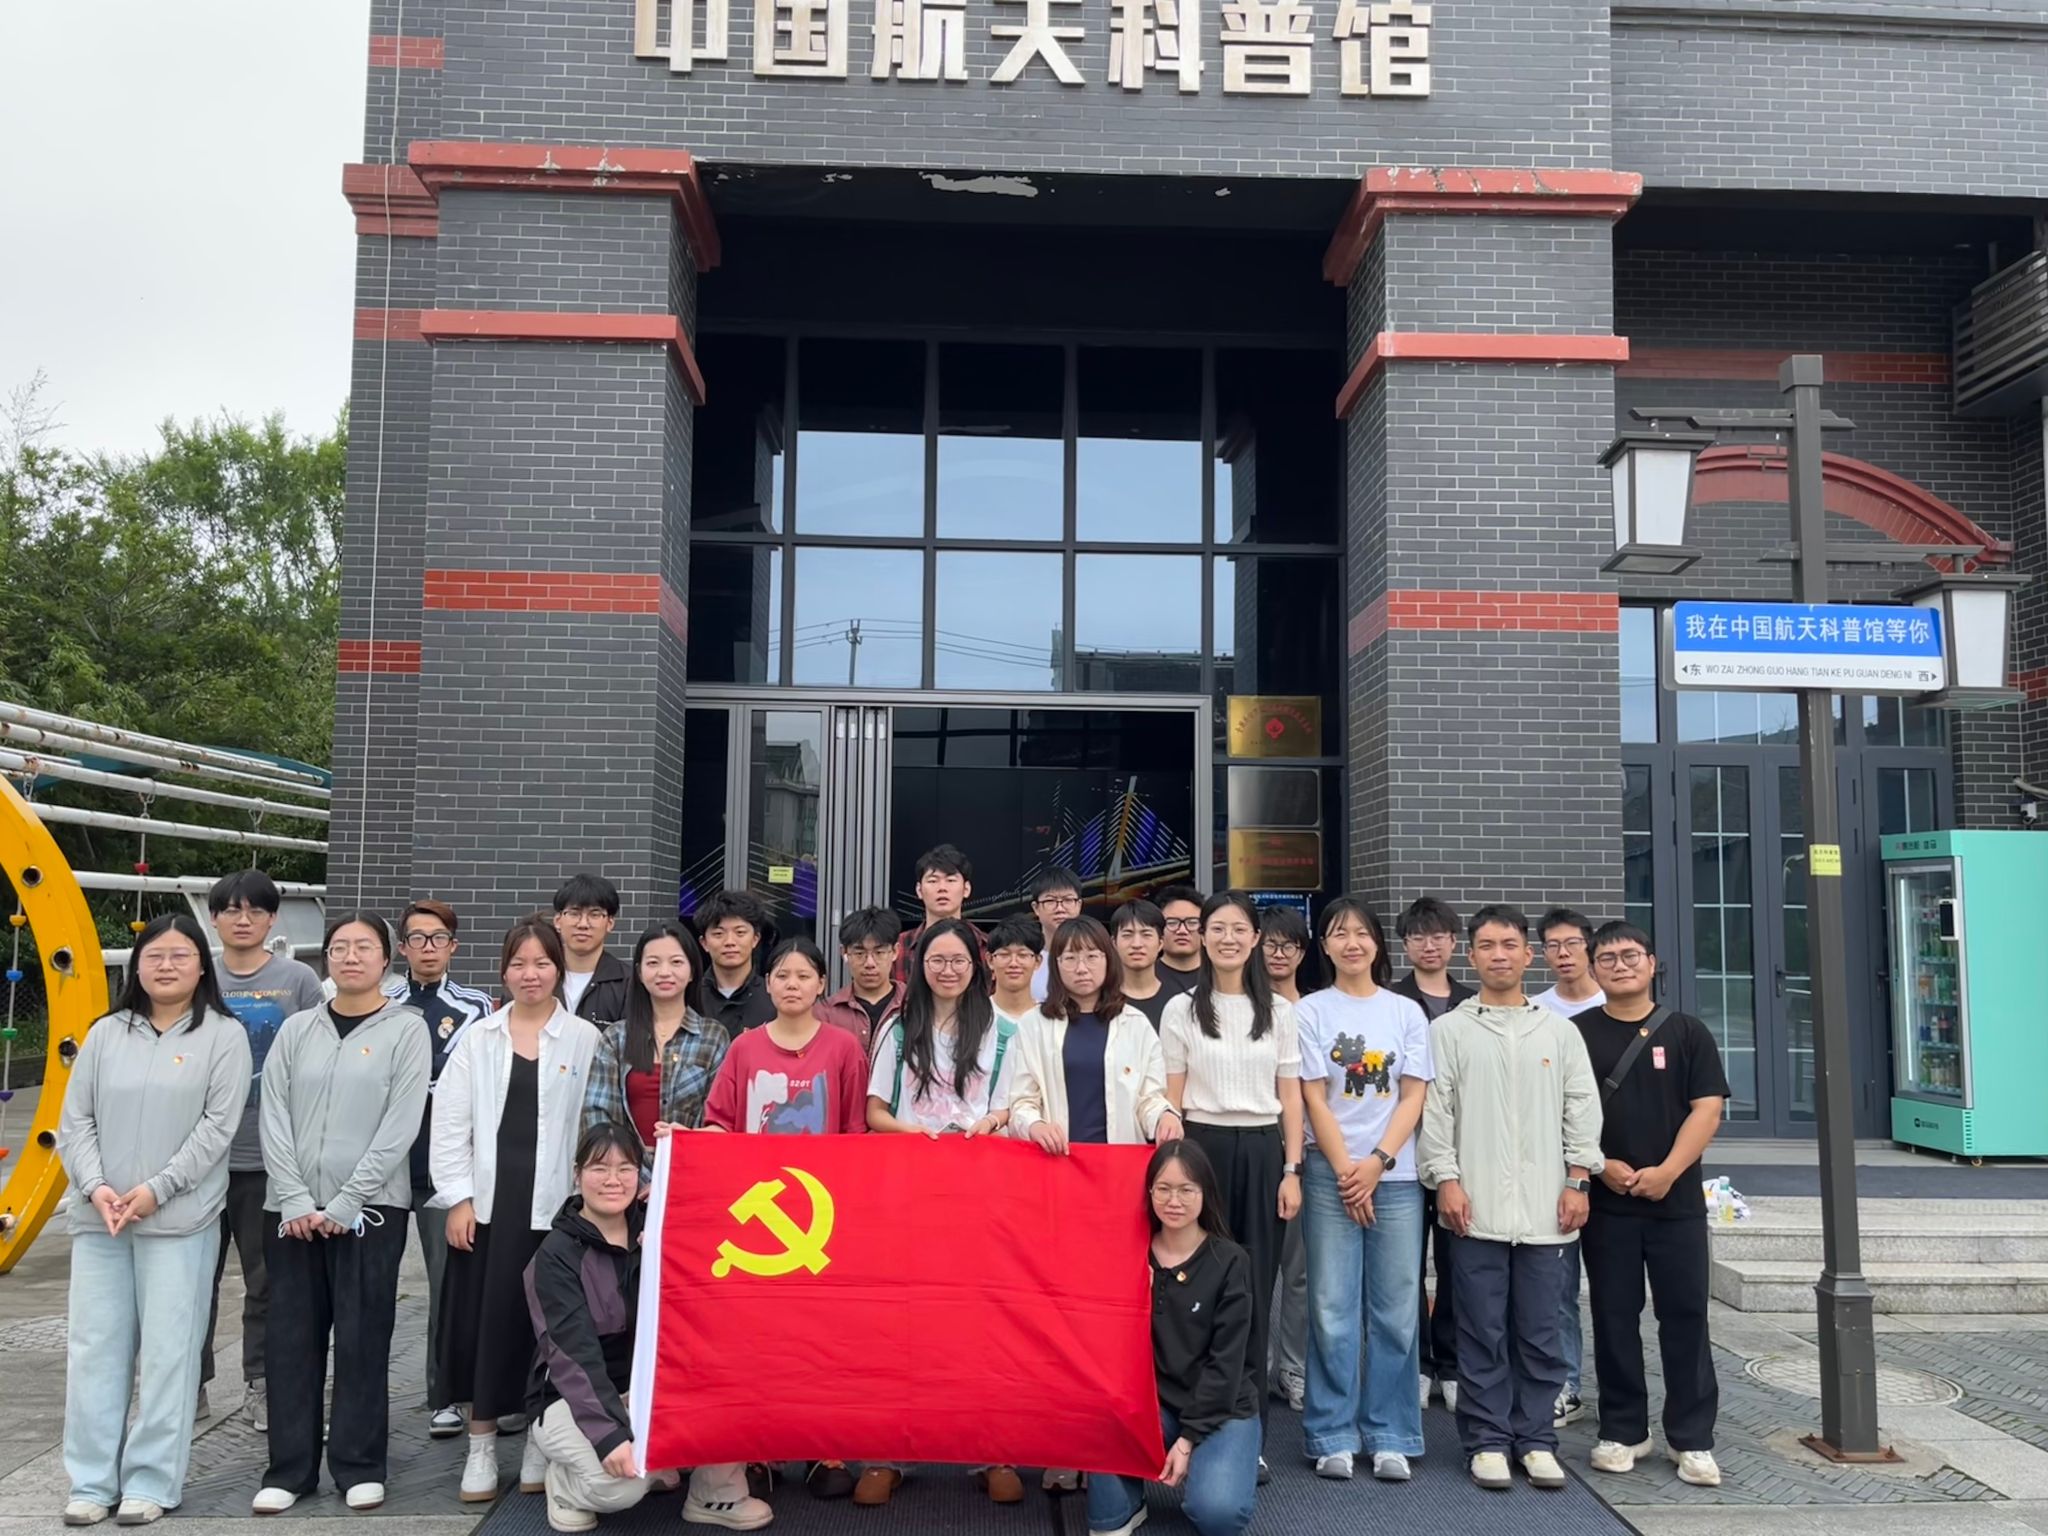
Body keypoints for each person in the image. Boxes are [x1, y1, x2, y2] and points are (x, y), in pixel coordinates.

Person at [57, 914, 251, 1527]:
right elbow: (75, 1121)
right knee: (95, 1351)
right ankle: (91, 1481)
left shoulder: (224, 1036)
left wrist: (156, 1189)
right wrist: (97, 1187)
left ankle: (150, 1481)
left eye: (180, 955)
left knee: (170, 1354)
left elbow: (217, 1129)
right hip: (101, 1221)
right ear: (136, 966)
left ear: (201, 966)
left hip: (179, 1221)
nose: (166, 966)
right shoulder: (105, 1034)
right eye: (154, 956)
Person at [1417, 905, 1603, 1494]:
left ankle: (1537, 1439)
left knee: (1541, 1332)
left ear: (1528, 954)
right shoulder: (1450, 1030)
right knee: (1480, 1330)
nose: (1499, 955)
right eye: (1487, 945)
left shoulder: (1559, 1031)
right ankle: (1488, 1440)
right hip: (1475, 1210)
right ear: (1471, 955)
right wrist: (1446, 1179)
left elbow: (1582, 1107)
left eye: (1509, 944)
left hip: (1549, 1210)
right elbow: (1437, 1112)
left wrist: (1578, 1179)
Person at [252, 913, 430, 1515]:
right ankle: (290, 1469)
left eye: (364, 947)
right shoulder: (297, 1028)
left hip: (372, 1209)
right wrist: (295, 1197)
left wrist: (349, 1200)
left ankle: (359, 1464)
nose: (351, 957)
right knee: (290, 1341)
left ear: (386, 959)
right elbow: (273, 1113)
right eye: (339, 947)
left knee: (362, 1338)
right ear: (326, 957)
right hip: (291, 1210)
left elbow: (401, 1123)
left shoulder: (406, 1030)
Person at [432, 916, 604, 1503]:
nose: (530, 975)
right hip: (490, 1207)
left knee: (548, 1331)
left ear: (559, 968)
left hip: (557, 1211)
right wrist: (458, 1197)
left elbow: (595, 1125)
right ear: (504, 971)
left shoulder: (584, 1038)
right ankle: (481, 1446)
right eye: (518, 964)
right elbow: (449, 1123)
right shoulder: (479, 1038)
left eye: (542, 963)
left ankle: (538, 1440)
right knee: (489, 1324)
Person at [1011, 914, 1183, 1494]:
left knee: (1113, 1315)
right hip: (1056, 1185)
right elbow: (1019, 1100)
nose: (1081, 968)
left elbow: (1150, 1096)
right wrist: (1033, 1124)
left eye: (1091, 956)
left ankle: (1109, 1439)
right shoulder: (1035, 1025)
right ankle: (1063, 1443)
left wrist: (1164, 1117)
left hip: (1116, 1190)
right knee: (1059, 1315)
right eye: (1069, 958)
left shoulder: (1135, 1024)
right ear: (1054, 967)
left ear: (1108, 962)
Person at [700, 936, 866, 1514]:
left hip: (823, 1215)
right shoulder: (744, 1048)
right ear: (767, 984)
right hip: (758, 1220)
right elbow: (719, 1122)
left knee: (821, 1337)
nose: (792, 984)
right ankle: (761, 1449)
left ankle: (824, 1449)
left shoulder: (844, 1047)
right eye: (782, 975)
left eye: (803, 975)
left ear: (822, 985)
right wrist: (689, 1146)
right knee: (760, 1338)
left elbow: (855, 1133)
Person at [861, 919, 1020, 1507]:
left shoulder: (1002, 1030)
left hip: (980, 1190)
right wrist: (917, 1136)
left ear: (976, 967)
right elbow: (875, 1111)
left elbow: (1012, 1106)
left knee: (980, 1321)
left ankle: (990, 1451)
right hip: (910, 1188)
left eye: (958, 960)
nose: (948, 970)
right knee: (901, 1320)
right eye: (936, 960)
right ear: (919, 966)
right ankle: (888, 1453)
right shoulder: (899, 1028)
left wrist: (990, 1122)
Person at [1578, 923, 1728, 1488]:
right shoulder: (1575, 1033)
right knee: (1613, 1316)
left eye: (1630, 955)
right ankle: (1623, 1430)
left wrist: (1668, 1172)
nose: (1620, 965)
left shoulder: (1687, 1031)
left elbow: (1707, 1109)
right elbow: (1564, 1111)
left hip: (1677, 1202)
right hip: (1607, 1203)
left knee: (1685, 1317)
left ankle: (1692, 1438)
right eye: (1607, 958)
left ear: (1652, 962)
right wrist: (1600, 1164)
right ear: (1593, 968)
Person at [1160, 890, 1302, 1483]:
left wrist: (1292, 1170)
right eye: (1216, 928)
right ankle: (1186, 1424)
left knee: (1255, 1289)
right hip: (1202, 1149)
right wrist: (1172, 1170)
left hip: (1264, 1150)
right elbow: (1171, 1095)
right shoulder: (1181, 1009)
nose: (1227, 938)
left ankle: (1249, 1435)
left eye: (1239, 929)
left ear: (1255, 939)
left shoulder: (1281, 1012)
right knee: (1198, 1285)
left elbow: (1290, 1095)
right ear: (1202, 936)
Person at [1295, 899, 1433, 1483]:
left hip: (1395, 1177)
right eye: (1338, 933)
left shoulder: (1406, 1012)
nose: (1351, 943)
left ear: (1377, 943)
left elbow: (1413, 1094)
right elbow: (1311, 1096)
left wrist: (1376, 1163)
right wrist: (1346, 1171)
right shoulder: (1309, 1011)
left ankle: (1391, 1433)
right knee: (1331, 1307)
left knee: (1396, 1310)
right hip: (1330, 1173)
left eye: (1361, 933)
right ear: (1324, 946)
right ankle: (1331, 1432)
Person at [198, 869, 323, 1432]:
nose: (243, 919)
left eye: (255, 910)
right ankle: (189, 1385)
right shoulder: (198, 976)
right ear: (214, 918)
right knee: (190, 1281)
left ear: (273, 919)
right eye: (231, 909)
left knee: (265, 1282)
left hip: (268, 1159)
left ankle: (260, 1384)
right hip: (198, 1161)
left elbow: (318, 1061)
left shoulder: (298, 980)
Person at [1085, 1139, 1259, 1536]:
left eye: (1186, 1190)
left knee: (1217, 1513)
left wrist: (1187, 1439)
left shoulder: (1230, 1261)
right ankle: (1128, 1505)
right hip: (1152, 1403)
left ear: (1204, 1192)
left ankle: (1217, 1459)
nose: (1173, 1201)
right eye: (1163, 1188)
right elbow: (1104, 1348)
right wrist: (1134, 1301)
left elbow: (1227, 1364)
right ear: (1149, 1192)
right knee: (1103, 1504)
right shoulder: (1129, 1253)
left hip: (1222, 1408)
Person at [390, 900, 498, 1440]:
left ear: (453, 946)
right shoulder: (382, 1001)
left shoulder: (476, 1007)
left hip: (442, 1166)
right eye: (417, 938)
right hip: (384, 1165)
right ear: (402, 947)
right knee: (370, 1288)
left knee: (445, 1284)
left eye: (437, 938)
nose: (427, 948)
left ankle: (444, 1396)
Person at [524, 1124, 665, 1533]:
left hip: (641, 1393)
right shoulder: (556, 1255)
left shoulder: (656, 1230)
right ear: (577, 1174)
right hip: (570, 1397)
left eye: (626, 1168)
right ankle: (565, 1486)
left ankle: (710, 1492)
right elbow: (573, 1356)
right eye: (599, 1168)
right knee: (622, 1487)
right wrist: (609, 1435)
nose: (613, 1180)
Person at [1392, 895, 1473, 1416]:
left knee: (1455, 1264)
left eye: (1439, 935)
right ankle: (1418, 1365)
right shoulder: (1390, 1001)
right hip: (1402, 1153)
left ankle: (1452, 1363)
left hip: (1460, 1154)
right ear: (1405, 944)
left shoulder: (1472, 1002)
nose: (1429, 945)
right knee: (1405, 1268)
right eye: (1419, 936)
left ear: (1454, 942)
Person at [1531, 907, 1603, 1429]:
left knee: (1612, 1292)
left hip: (1613, 1167)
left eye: (1572, 943)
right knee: (1558, 1289)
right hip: (1557, 1168)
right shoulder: (1538, 1011)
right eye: (1553, 945)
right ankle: (1565, 1385)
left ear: (1588, 947)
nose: (1563, 954)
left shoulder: (1614, 1004)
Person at [581, 921, 727, 1178]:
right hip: (623, 1181)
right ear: (639, 972)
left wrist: (668, 1177)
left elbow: (718, 1120)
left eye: (676, 962)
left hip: (690, 1175)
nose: (664, 972)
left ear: (692, 971)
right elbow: (598, 1115)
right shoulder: (616, 1038)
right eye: (653, 963)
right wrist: (632, 1176)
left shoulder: (713, 1037)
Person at [1257, 903, 1312, 1413]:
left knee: (1298, 1271)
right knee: (1252, 1265)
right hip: (1253, 1145)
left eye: (1289, 945)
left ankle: (1293, 1368)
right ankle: (1255, 1364)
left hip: (1304, 1152)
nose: (1279, 953)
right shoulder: (1244, 1005)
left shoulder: (1315, 1011)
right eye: (1271, 943)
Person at [815, 906, 904, 1053]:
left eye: (879, 952)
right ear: (844, 953)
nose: (870, 963)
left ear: (895, 952)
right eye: (859, 953)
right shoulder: (825, 1013)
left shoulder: (915, 1006)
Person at [890, 844, 983, 984]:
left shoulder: (985, 945)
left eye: (951, 880)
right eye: (933, 881)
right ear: (919, 890)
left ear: (966, 889)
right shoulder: (898, 947)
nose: (942, 888)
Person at [694, 891, 777, 1040]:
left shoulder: (774, 996)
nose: (730, 942)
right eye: (718, 934)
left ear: (755, 939)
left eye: (740, 932)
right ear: (704, 943)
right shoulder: (689, 996)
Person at [554, 874, 629, 1024]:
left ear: (610, 923)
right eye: (574, 913)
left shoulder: (629, 983)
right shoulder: (539, 977)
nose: (583, 924)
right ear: (558, 921)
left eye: (594, 914)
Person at [1025, 865, 1084, 1002]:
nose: (1060, 908)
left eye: (1068, 900)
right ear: (1036, 908)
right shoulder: (1024, 959)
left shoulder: (1094, 958)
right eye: (1050, 901)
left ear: (1079, 905)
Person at [1111, 899, 1171, 1029]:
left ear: (1161, 943)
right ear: (1114, 943)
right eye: (1127, 935)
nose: (1137, 944)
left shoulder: (1179, 1001)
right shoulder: (1102, 1001)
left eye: (1146, 934)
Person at [986, 915, 1044, 1026]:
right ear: (990, 960)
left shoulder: (1051, 1019)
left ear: (1037, 961)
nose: (1013, 963)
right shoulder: (974, 1015)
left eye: (1022, 955)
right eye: (1004, 954)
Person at [1154, 884, 1206, 999]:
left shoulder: (1219, 977)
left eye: (1192, 922)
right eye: (1172, 923)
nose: (1182, 930)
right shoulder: (1146, 977)